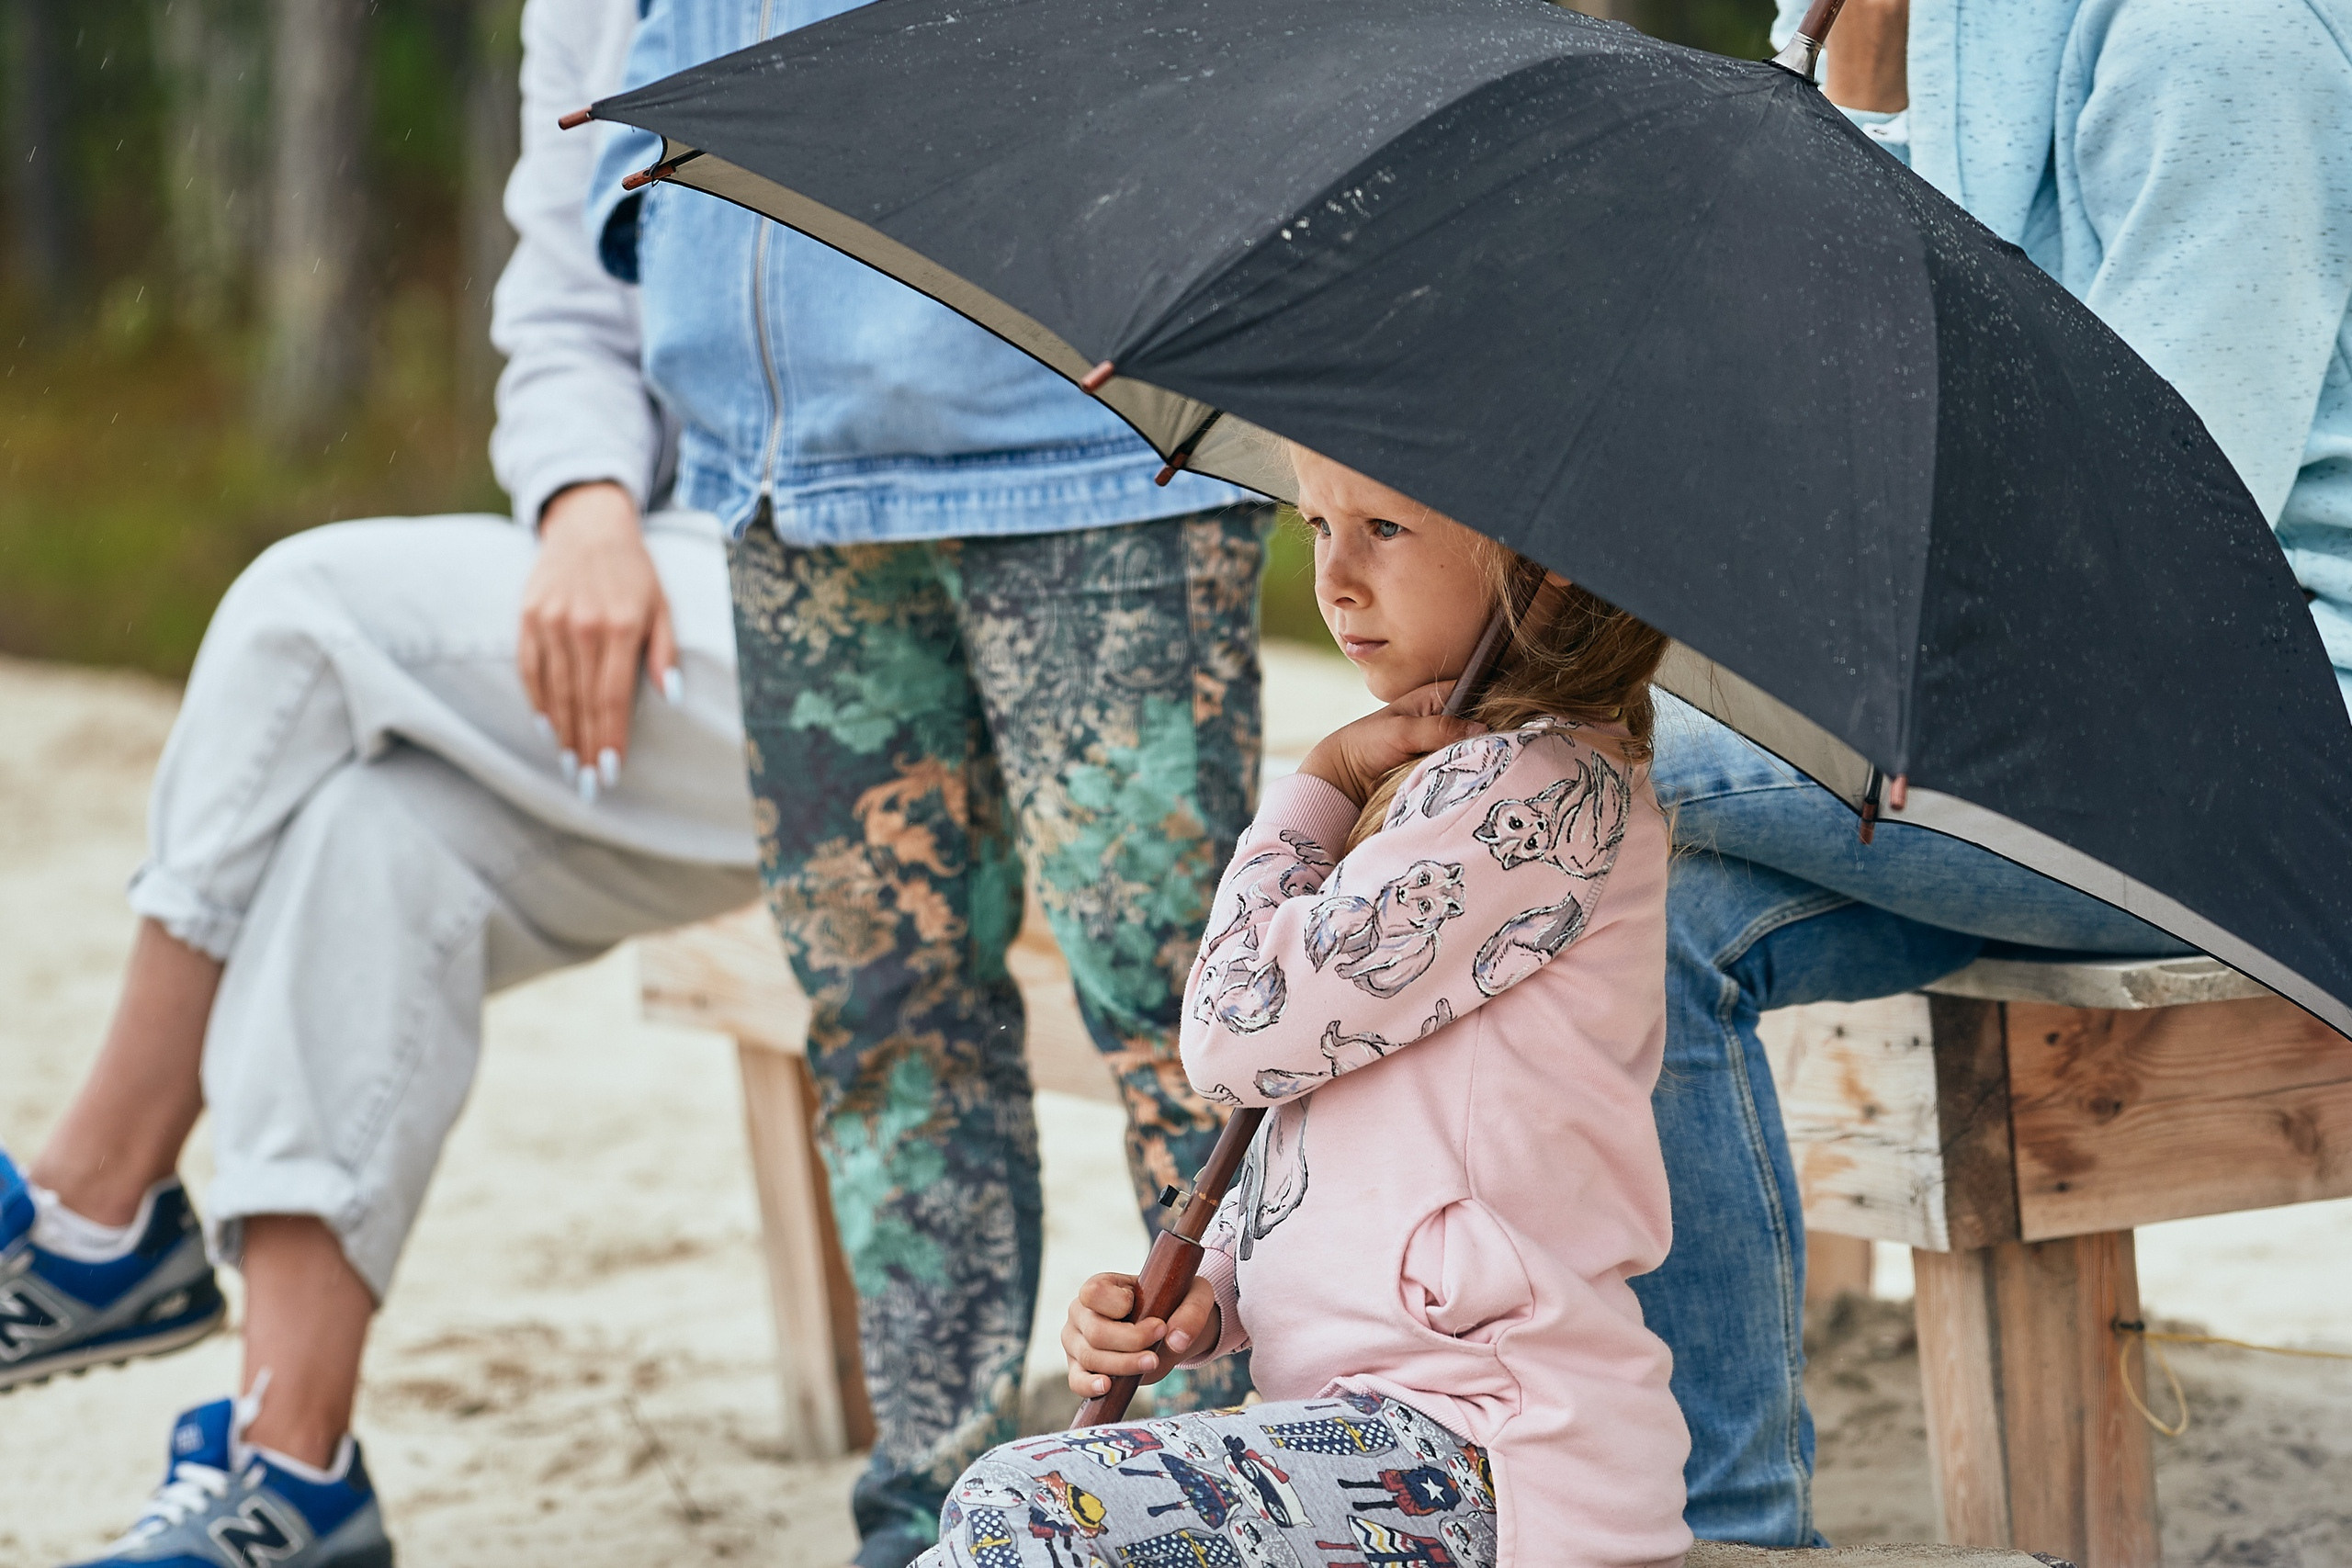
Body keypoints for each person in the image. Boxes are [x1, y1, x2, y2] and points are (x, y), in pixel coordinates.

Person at [7, 3, 763, 1563]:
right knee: (374, 835)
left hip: (872, 595)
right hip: (672, 589)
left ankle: (90, 1205)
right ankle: (292, 1473)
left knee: (305, 614)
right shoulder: (593, 6)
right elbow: (564, 303)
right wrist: (585, 502)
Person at [1634, 0, 2352, 1543]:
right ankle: (1728, 1527)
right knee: (1639, 920)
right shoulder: (1933, 41)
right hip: (2041, 720)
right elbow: (1830, 442)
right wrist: (1869, 106)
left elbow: (2158, 537)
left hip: (2263, 743)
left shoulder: (2223, 50)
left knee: (1581, 775)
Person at [588, 6, 1272, 1562]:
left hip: (1089, 447)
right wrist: (647, 223)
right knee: (880, 1011)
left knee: (1188, 1006)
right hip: (789, 473)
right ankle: (930, 1506)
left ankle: (1214, 1486)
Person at [923, 446, 1690, 1568]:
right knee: (1013, 1519)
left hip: (1490, 1460)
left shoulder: (1539, 793)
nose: (1335, 577)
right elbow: (1363, 1127)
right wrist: (1211, 1296)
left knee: (1023, 1506)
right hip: (1369, 1444)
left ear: (1548, 567)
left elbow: (1235, 1037)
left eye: (1382, 528)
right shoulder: (1454, 788)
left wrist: (1320, 783)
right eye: (1316, 525)